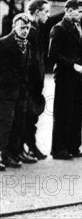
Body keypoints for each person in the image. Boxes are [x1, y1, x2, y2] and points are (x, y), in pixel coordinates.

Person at [48, 0, 82, 160]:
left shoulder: (78, 26)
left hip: (80, 77)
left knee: (78, 112)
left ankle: (73, 146)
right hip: (65, 77)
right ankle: (58, 149)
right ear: (68, 10)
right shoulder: (58, 29)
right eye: (79, 11)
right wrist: (72, 65)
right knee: (63, 113)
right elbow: (53, 55)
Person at [0, 14, 34, 170]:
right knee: (5, 124)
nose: (25, 31)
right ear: (14, 26)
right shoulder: (3, 44)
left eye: (27, 28)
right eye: (22, 28)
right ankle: (2, 155)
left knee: (18, 123)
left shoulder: (27, 44)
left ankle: (13, 153)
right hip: (6, 92)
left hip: (21, 92)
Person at [23, 0, 50, 160]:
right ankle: (28, 147)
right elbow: (32, 60)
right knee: (29, 117)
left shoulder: (35, 29)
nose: (48, 15)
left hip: (33, 82)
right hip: (30, 83)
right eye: (46, 12)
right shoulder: (32, 31)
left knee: (29, 117)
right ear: (37, 11)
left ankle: (28, 147)